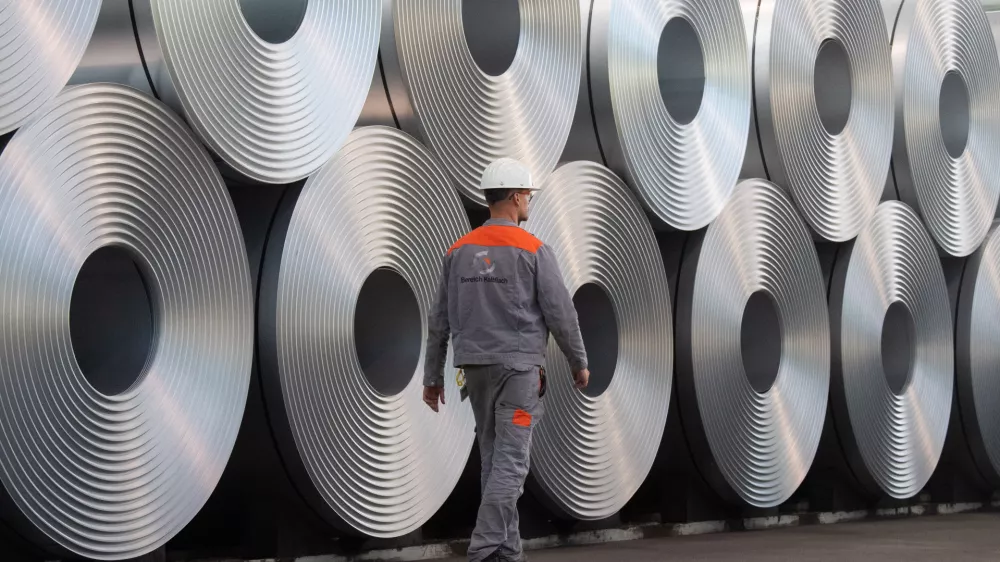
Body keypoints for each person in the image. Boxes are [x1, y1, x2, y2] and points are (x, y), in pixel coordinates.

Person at [422, 157, 590, 562]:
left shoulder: (458, 251)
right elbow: (560, 312)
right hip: (517, 371)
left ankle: (507, 553)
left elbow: (439, 318)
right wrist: (578, 359)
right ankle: (483, 550)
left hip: (475, 372)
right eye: (528, 194)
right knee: (512, 463)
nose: (529, 200)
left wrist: (432, 377)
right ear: (515, 197)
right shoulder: (533, 249)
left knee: (495, 460)